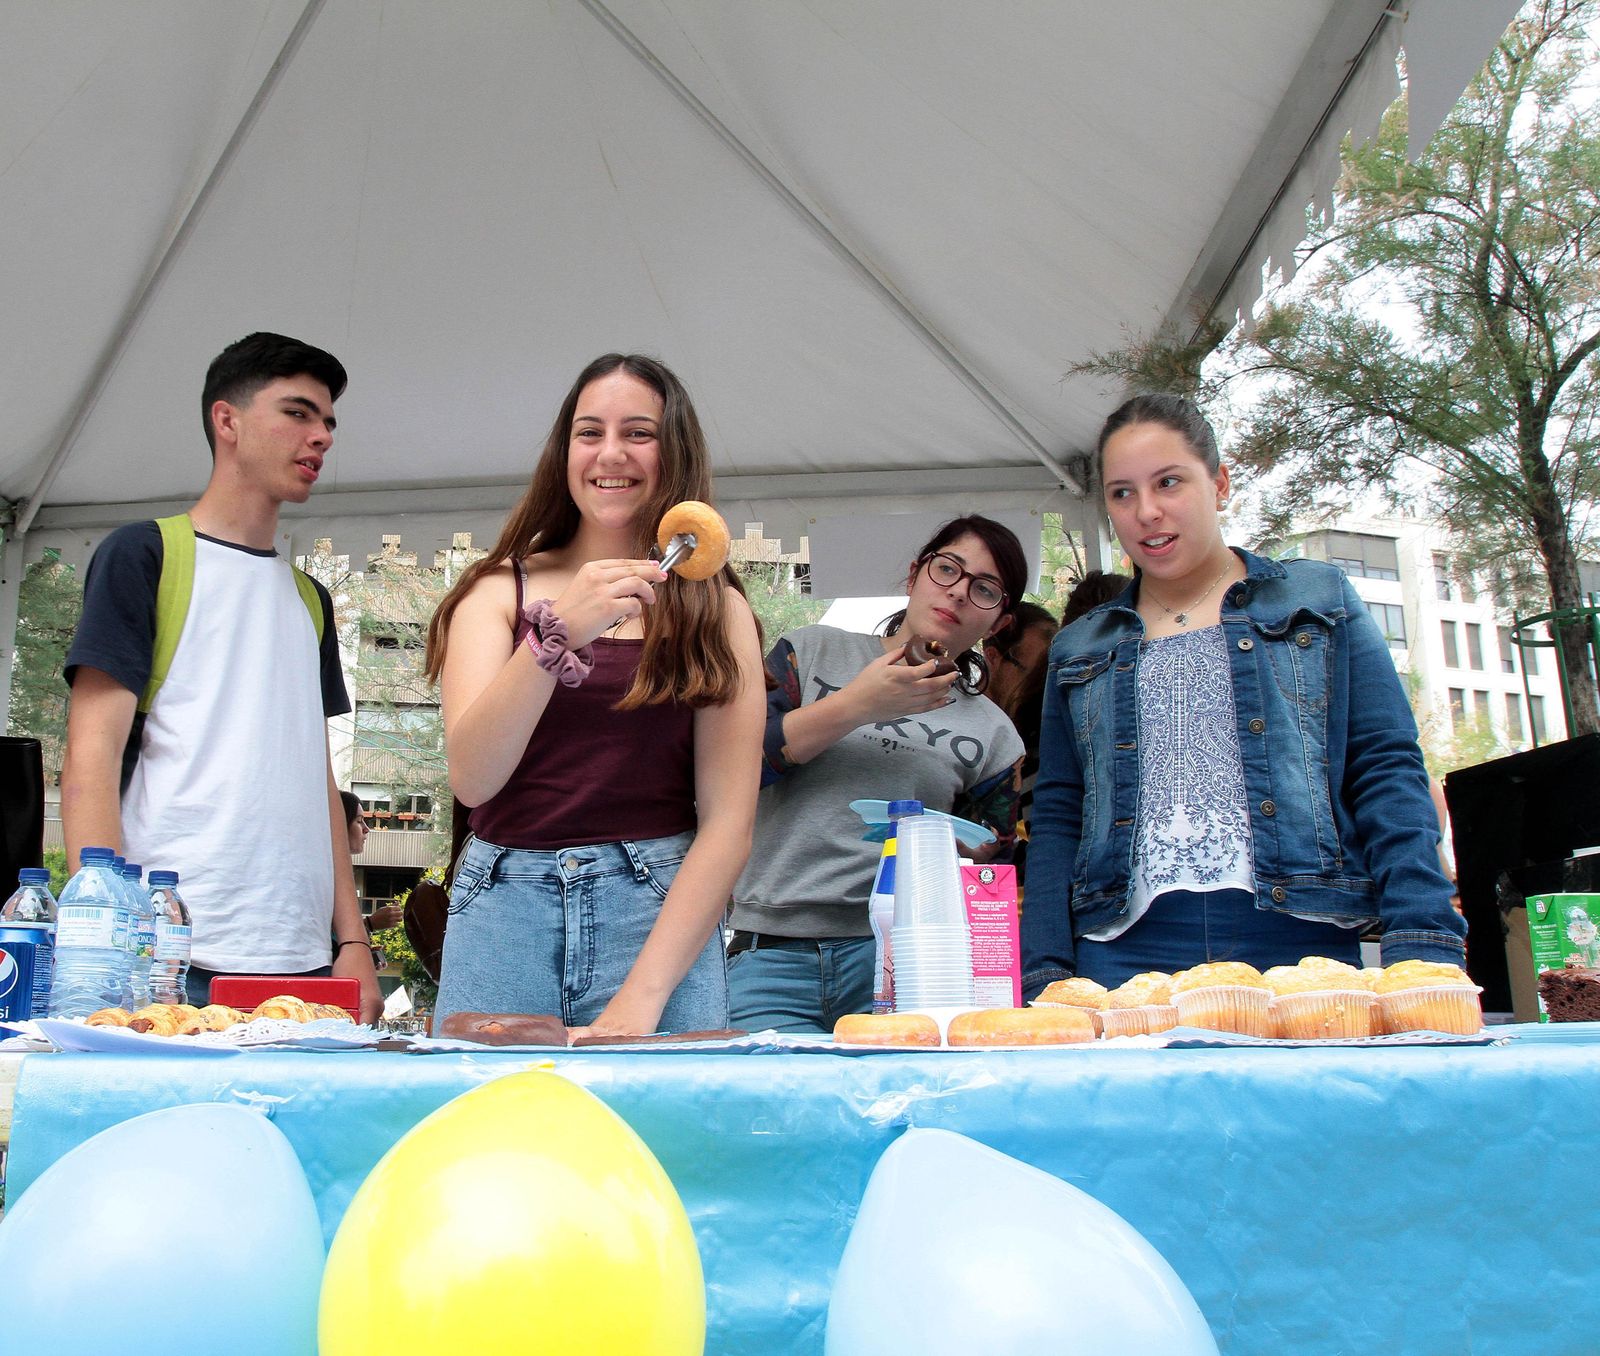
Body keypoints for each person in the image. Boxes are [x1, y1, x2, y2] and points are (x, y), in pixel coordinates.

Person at [1023, 394, 1466, 995]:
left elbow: (1385, 767)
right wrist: (1046, 965)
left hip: (1298, 938)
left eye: (1169, 482)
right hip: (1120, 951)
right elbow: (1058, 812)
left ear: (1220, 481)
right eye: (1121, 492)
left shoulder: (1318, 599)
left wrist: (1422, 937)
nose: (1146, 511)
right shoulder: (1079, 646)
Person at [424, 353, 765, 1036]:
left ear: (674, 453)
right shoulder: (494, 594)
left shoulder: (717, 611)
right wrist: (558, 637)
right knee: (495, 1137)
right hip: (502, 909)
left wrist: (643, 998)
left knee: (665, 1139)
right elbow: (474, 776)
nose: (612, 453)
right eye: (589, 432)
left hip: (659, 912)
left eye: (639, 432)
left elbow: (728, 824)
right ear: (563, 451)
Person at [61, 332, 382, 1021]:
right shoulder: (144, 556)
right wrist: (108, 948)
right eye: (298, 413)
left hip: (303, 963)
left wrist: (351, 939)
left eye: (328, 421)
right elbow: (89, 754)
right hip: (171, 958)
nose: (321, 435)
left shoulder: (309, 600)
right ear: (226, 420)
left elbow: (316, 776)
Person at [728, 515, 1028, 1031]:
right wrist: (858, 704)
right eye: (947, 570)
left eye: (984, 589)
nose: (957, 593)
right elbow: (734, 768)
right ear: (914, 576)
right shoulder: (812, 649)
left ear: (999, 623)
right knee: (766, 1109)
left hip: (906, 962)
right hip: (771, 952)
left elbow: (988, 866)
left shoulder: (995, 735)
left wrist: (954, 843)